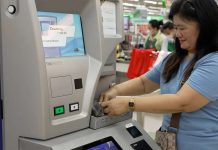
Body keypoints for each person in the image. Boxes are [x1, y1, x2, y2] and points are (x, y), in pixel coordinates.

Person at [100, 0, 218, 149]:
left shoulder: (213, 63)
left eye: (182, 28)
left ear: (205, 26)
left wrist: (129, 103)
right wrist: (116, 90)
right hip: (167, 143)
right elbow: (144, 83)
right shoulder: (174, 58)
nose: (177, 34)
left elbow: (182, 102)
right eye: (175, 27)